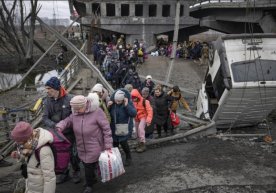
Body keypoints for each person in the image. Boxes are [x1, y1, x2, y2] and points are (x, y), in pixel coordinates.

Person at [56, 95, 113, 193]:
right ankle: (92, 178)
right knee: (88, 164)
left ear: (85, 104)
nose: (77, 111)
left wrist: (108, 145)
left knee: (88, 165)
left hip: (95, 145)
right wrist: (60, 126)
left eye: (79, 108)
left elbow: (106, 129)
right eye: (75, 109)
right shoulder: (75, 113)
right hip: (81, 145)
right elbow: (67, 121)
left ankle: (89, 185)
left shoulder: (97, 112)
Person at [42, 76, 80, 184]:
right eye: (46, 88)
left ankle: (76, 171)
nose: (47, 91)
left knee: (73, 153)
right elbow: (45, 118)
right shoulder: (47, 101)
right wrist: (55, 126)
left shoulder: (70, 99)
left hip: (70, 133)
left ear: (56, 88)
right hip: (56, 133)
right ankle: (64, 173)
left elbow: (76, 117)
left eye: (49, 88)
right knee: (60, 154)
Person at [10, 121, 56, 193]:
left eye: (18, 140)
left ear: (25, 138)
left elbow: (50, 178)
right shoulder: (28, 146)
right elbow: (29, 158)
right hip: (31, 185)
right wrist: (19, 155)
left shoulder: (44, 151)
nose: (16, 143)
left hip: (39, 188)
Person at [107, 89, 137, 166]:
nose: (117, 102)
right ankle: (116, 159)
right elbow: (108, 114)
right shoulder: (113, 103)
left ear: (123, 99)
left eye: (119, 101)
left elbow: (133, 114)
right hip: (114, 127)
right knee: (115, 144)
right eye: (116, 100)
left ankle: (128, 156)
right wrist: (108, 106)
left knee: (123, 143)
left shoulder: (128, 103)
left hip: (124, 127)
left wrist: (127, 105)